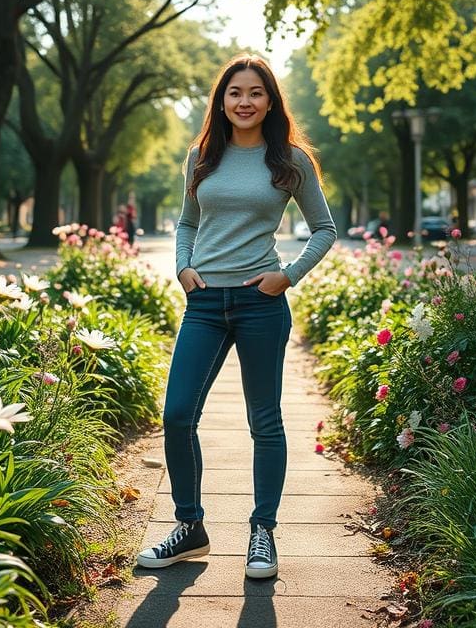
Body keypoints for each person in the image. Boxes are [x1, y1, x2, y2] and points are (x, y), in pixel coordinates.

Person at [135, 54, 337, 579]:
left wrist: (287, 276)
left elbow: (324, 229)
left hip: (260, 303)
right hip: (203, 303)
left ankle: (262, 532)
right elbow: (186, 221)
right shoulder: (202, 154)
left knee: (264, 422)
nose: (243, 102)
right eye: (234, 93)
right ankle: (190, 527)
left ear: (270, 101)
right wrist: (182, 267)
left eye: (254, 93)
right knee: (178, 414)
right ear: (221, 101)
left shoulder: (289, 160)